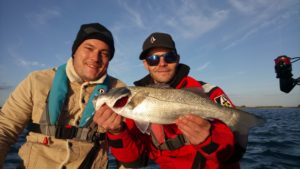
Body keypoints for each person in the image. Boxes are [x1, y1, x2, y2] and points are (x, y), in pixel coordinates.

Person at [94, 32, 247, 169]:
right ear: (146, 64)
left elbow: (234, 152)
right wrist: (116, 132)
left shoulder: (209, 92)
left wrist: (209, 139)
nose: (162, 63)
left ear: (178, 59)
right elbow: (135, 161)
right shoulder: (132, 107)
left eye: (169, 57)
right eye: (153, 59)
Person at [0, 23, 126, 169]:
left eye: (104, 53)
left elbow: (127, 150)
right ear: (74, 51)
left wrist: (118, 130)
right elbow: (5, 128)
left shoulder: (119, 91)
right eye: (89, 48)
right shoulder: (36, 81)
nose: (95, 58)